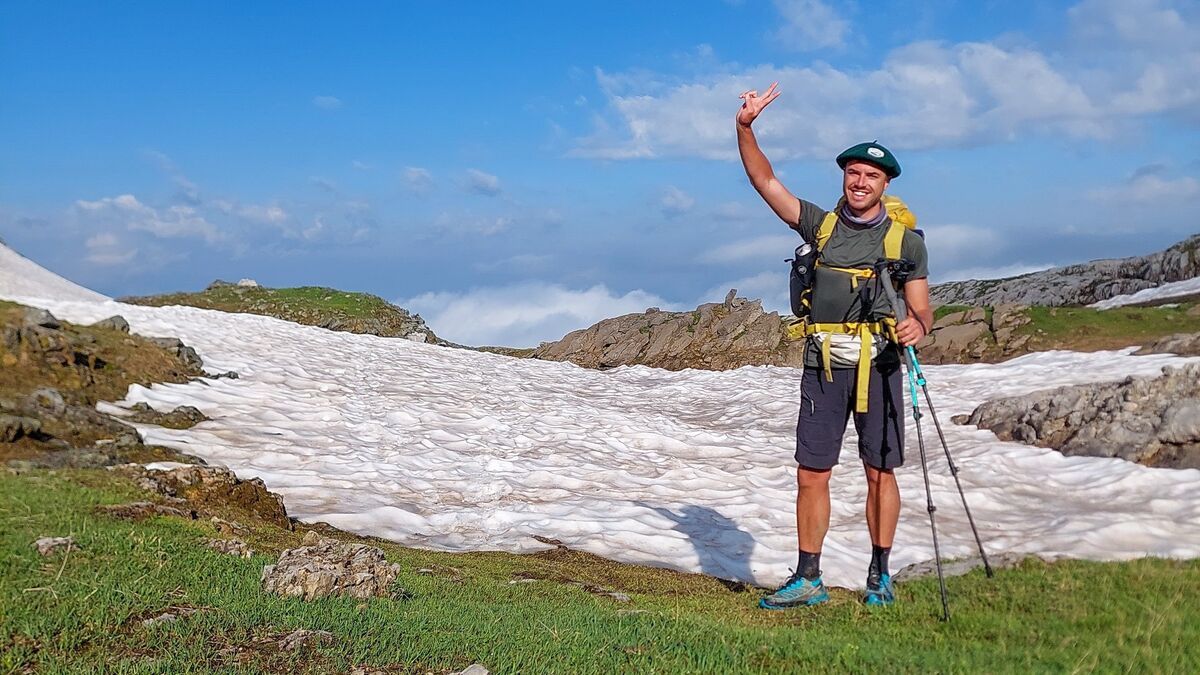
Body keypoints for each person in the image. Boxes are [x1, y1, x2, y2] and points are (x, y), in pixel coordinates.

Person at [735, 82, 933, 608]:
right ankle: (808, 578)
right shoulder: (820, 226)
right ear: (844, 177)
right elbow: (764, 180)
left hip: (883, 366)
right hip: (823, 366)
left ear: (885, 182)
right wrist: (745, 127)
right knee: (811, 472)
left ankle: (880, 576)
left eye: (871, 175)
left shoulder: (905, 241)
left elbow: (922, 310)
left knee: (879, 470)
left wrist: (917, 326)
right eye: (853, 173)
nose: (860, 181)